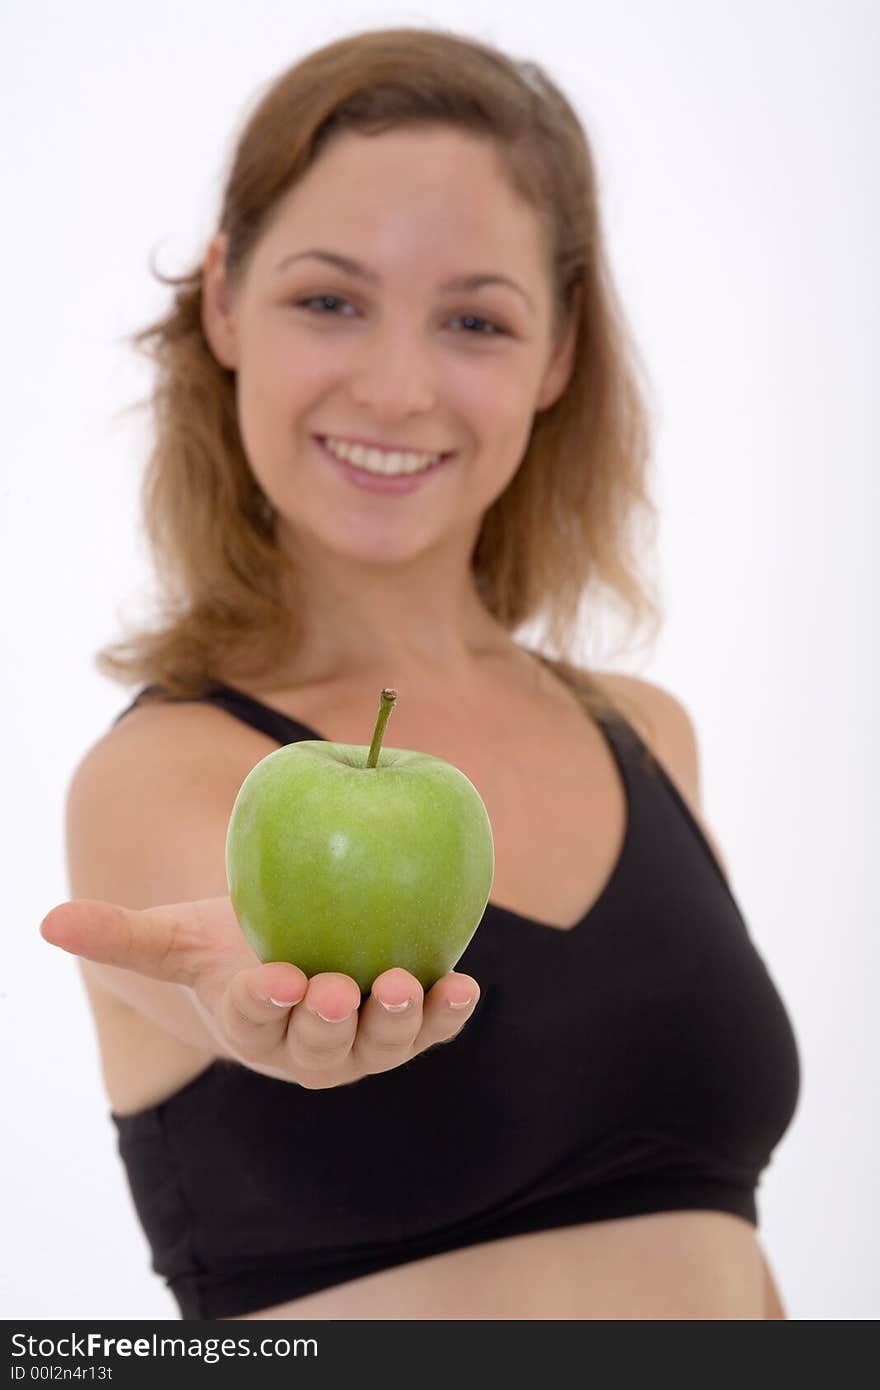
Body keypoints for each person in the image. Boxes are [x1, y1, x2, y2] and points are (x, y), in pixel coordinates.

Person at [40, 26, 800, 1321]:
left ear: (559, 355)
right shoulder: (158, 776)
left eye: (474, 319)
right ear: (224, 300)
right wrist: (246, 1006)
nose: (396, 387)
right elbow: (203, 966)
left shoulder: (647, 736)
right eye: (330, 299)